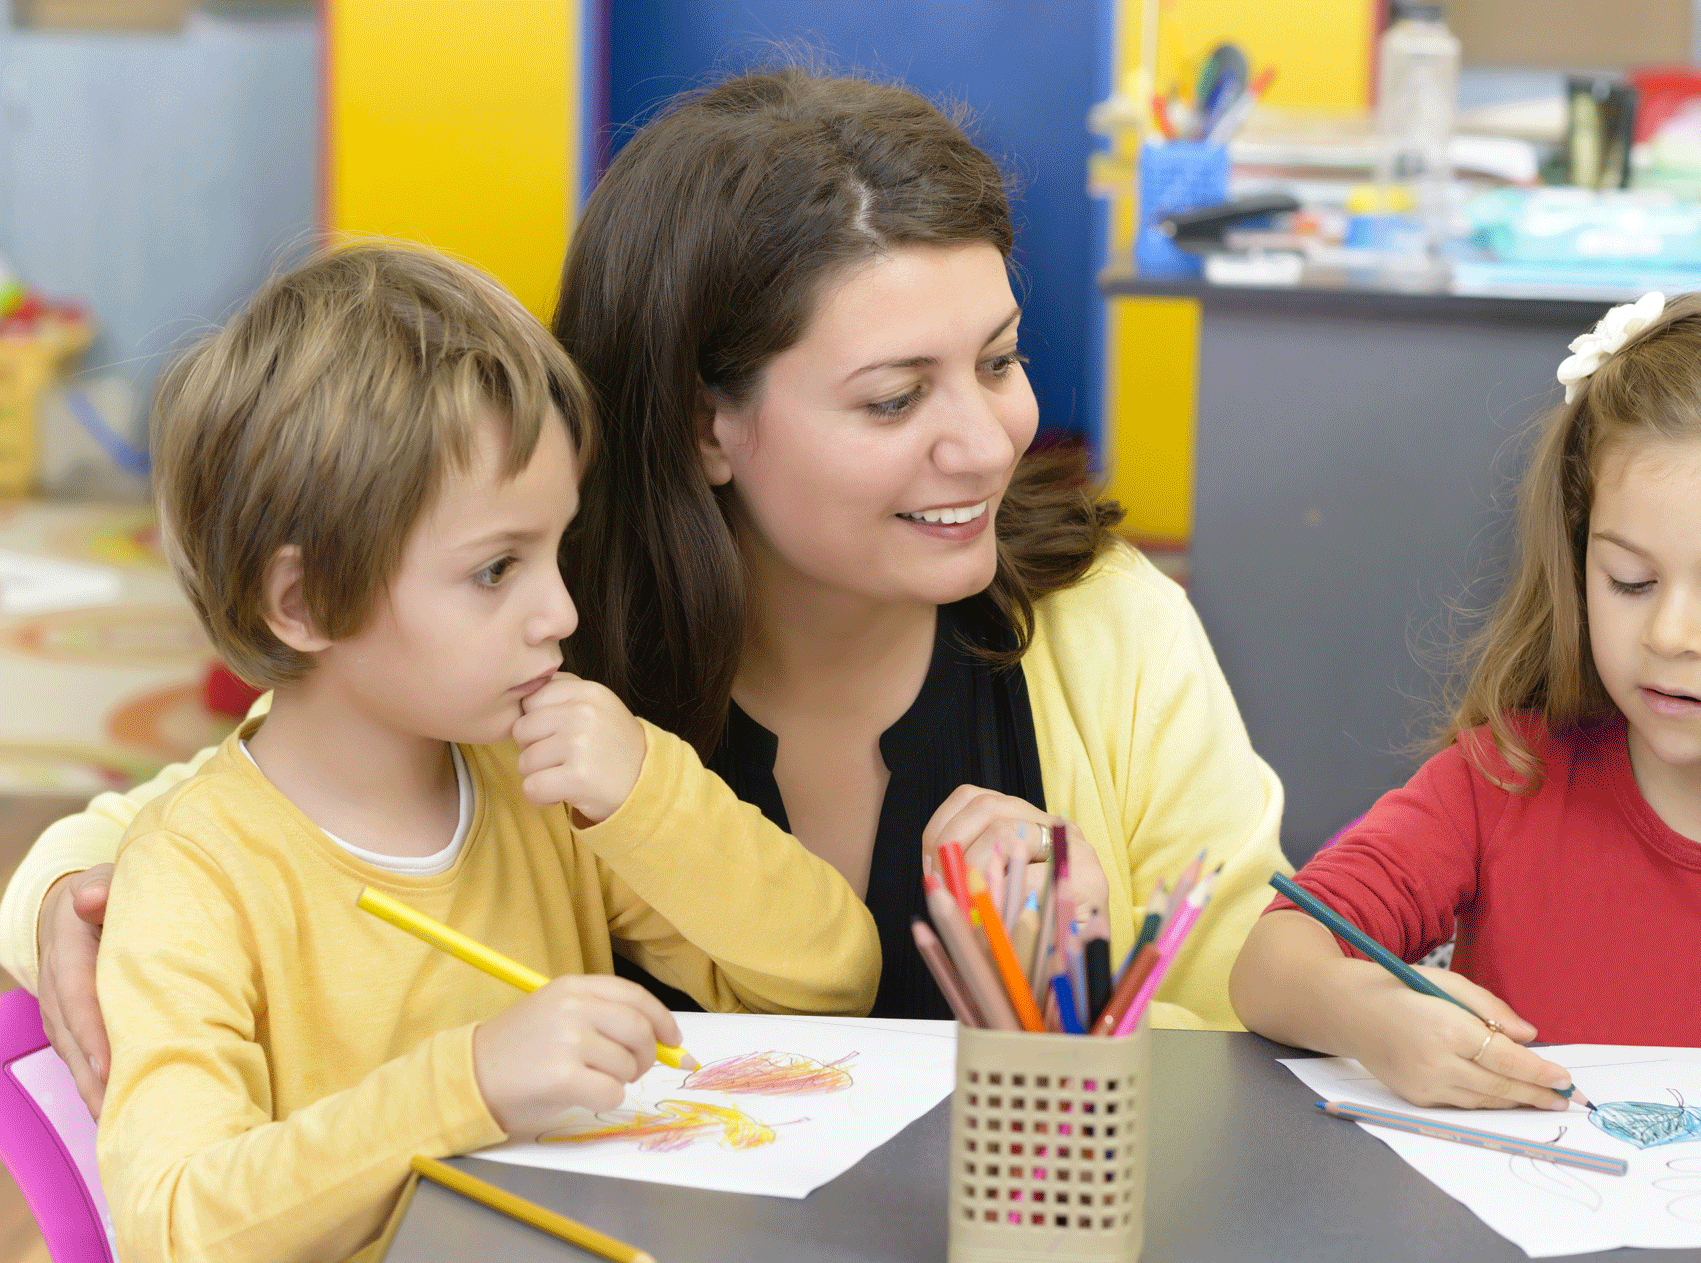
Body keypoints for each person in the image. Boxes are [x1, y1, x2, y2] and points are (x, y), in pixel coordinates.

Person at [8, 68, 1286, 1113]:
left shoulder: (1104, 630)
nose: (988, 439)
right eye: (895, 398)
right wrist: (72, 881)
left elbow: (1244, 990)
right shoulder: (540, 645)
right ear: (702, 425)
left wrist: (1085, 985)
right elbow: (243, 798)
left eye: (1000, 361)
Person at [92, 245, 877, 1263]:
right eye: (494, 569)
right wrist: (468, 1084)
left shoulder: (545, 783)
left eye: (557, 549)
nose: (558, 610)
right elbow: (174, 1233)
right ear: (306, 600)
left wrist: (647, 799)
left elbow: (829, 979)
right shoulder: (195, 875)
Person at [1230, 290, 1701, 1108]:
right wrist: (1374, 1018)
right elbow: (1269, 963)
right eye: (1630, 580)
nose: (1670, 634)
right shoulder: (1502, 778)